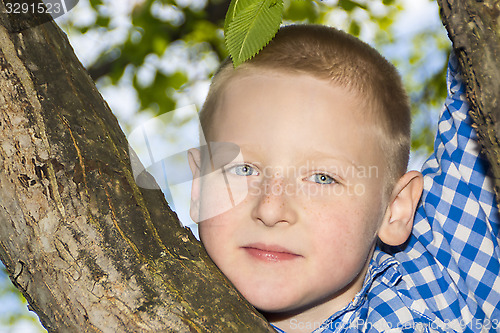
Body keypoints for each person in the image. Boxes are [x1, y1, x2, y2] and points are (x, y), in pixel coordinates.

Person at [187, 24, 500, 332]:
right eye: (243, 170)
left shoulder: (441, 275)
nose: (269, 210)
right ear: (199, 188)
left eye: (322, 178)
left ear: (395, 209)